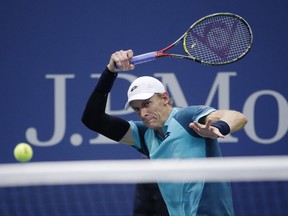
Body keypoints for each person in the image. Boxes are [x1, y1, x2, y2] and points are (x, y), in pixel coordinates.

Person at [82, 49, 248, 216]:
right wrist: (110, 72)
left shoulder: (186, 118)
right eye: (136, 109)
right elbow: (92, 119)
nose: (143, 114)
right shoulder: (144, 135)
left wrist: (219, 127)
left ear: (165, 98)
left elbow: (237, 117)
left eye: (147, 104)